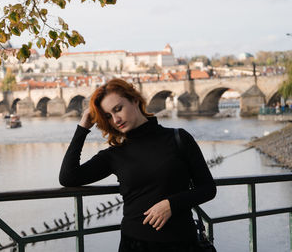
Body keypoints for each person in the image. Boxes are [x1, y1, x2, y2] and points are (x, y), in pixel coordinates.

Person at [59, 78, 216, 252]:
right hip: (134, 245)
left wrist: (171, 204)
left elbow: (208, 188)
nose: (116, 119)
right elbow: (68, 177)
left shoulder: (178, 138)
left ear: (134, 99)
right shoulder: (115, 154)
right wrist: (83, 127)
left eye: (118, 109)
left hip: (182, 243)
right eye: (108, 116)